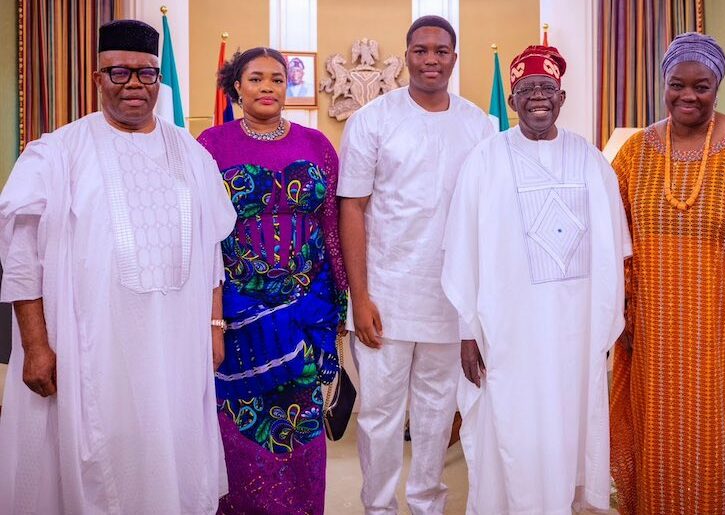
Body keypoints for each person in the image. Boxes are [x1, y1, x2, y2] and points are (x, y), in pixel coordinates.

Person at [0, 20, 235, 514]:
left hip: (176, 345)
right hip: (88, 347)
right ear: (97, 77)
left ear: (159, 79)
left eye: (146, 73)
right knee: (97, 457)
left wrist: (215, 325)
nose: (134, 83)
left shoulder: (192, 155)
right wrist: (36, 345)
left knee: (172, 446)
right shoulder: (57, 152)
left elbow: (211, 244)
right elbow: (21, 256)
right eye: (119, 72)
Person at [610, 32, 725, 514]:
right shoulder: (634, 155)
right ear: (663, 83)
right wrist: (624, 316)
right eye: (677, 84)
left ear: (718, 86)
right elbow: (618, 245)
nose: (688, 96)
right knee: (661, 442)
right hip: (655, 339)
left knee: (722, 442)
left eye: (702, 86)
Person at [441, 44, 630, 514]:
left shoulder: (590, 161)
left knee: (570, 422)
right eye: (527, 89)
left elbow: (615, 252)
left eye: (548, 88)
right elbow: (463, 253)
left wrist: (609, 320)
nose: (539, 97)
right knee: (513, 425)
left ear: (562, 97)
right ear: (512, 101)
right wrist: (468, 333)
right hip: (508, 332)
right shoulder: (484, 160)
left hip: (575, 332)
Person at [337, 15, 494, 514]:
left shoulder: (480, 125)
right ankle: (379, 507)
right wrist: (359, 297)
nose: (431, 59)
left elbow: (486, 218)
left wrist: (475, 309)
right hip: (385, 296)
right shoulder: (374, 119)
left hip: (449, 300)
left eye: (441, 50)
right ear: (406, 56)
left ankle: (427, 504)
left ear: (454, 57)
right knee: (379, 415)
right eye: (421, 50)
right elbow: (352, 208)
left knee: (434, 414)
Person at [198, 47, 347, 514]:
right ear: (236, 86)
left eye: (277, 79)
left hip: (306, 310)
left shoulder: (317, 143)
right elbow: (201, 235)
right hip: (239, 311)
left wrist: (336, 303)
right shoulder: (209, 144)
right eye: (256, 78)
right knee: (240, 430)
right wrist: (214, 317)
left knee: (303, 432)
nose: (268, 87)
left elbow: (332, 227)